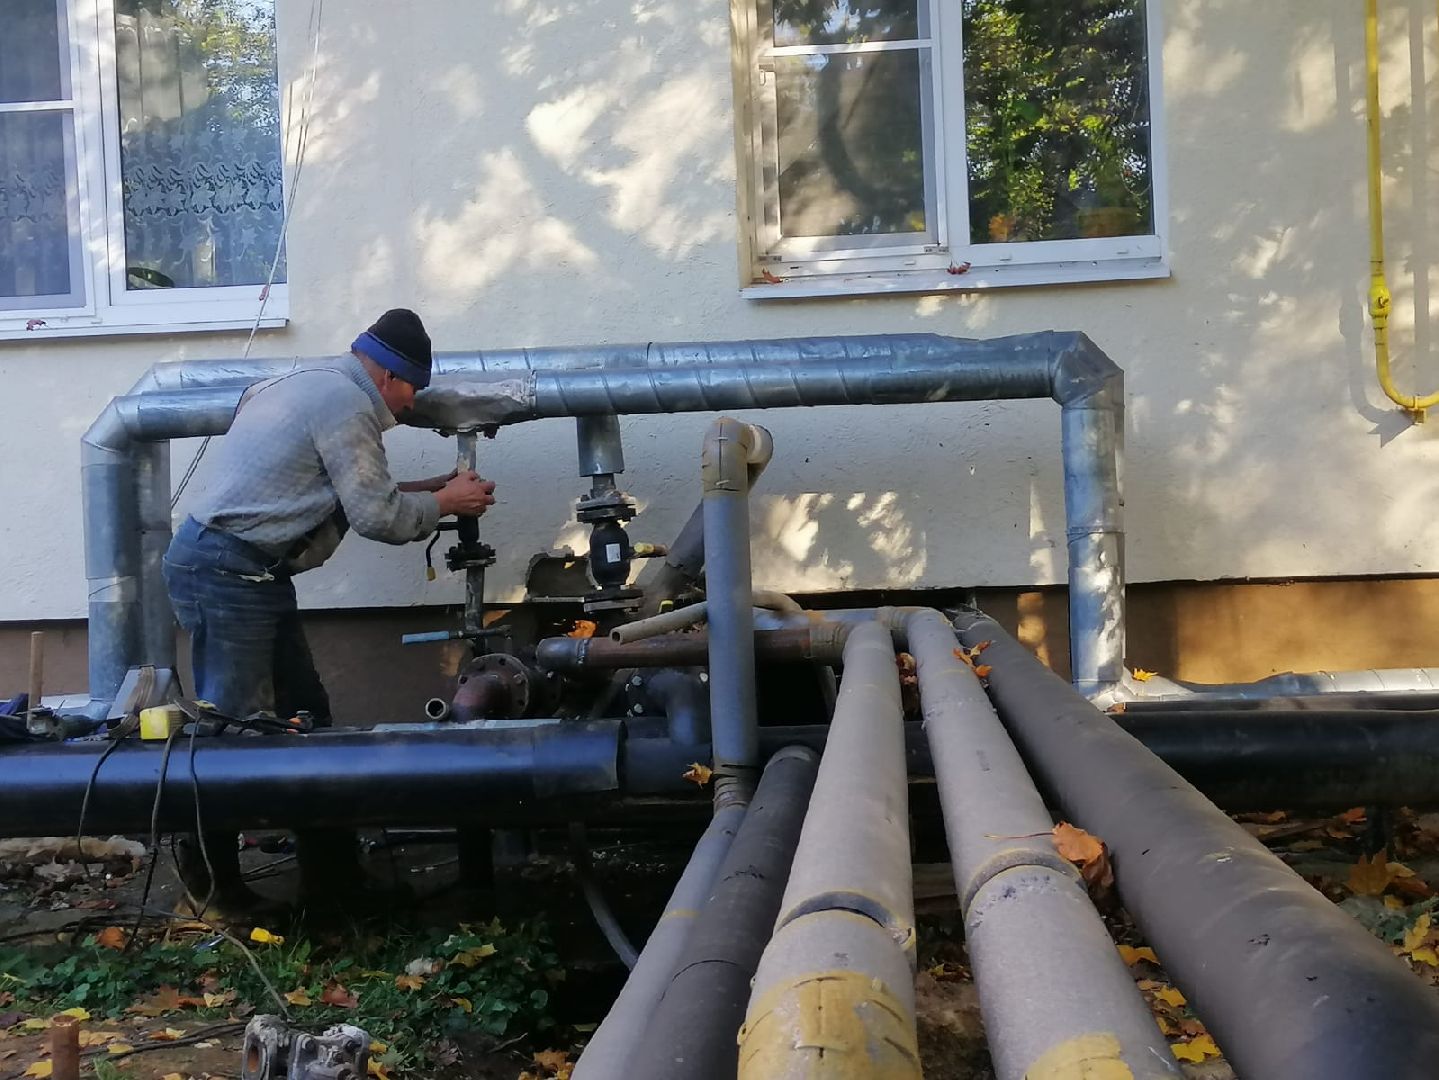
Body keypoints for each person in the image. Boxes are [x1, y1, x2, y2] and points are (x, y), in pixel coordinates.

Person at [164, 308, 495, 913]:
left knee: (303, 715)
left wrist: (436, 490)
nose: (407, 408)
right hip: (226, 568)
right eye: (412, 392)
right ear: (392, 377)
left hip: (246, 567)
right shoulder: (347, 404)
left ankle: (335, 880)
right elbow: (377, 517)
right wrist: (447, 502)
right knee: (235, 728)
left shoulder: (303, 382)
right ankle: (213, 893)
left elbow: (346, 494)